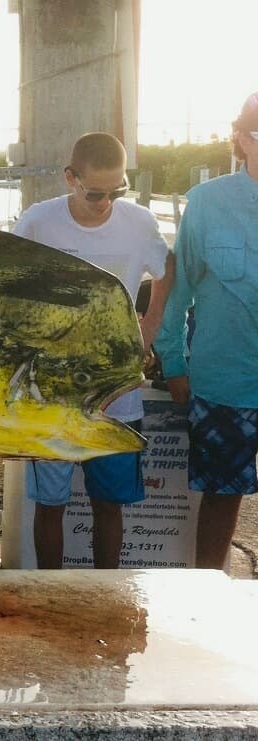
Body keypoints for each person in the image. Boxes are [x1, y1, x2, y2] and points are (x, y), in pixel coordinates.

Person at [13, 132, 173, 569]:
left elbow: (166, 269)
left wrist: (150, 327)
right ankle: (50, 589)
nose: (106, 202)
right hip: (52, 391)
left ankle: (106, 591)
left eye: (117, 191)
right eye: (96, 192)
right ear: (71, 178)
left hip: (117, 394)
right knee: (51, 503)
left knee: (110, 503)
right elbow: (9, 288)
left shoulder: (139, 222)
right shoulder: (37, 222)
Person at [153, 92, 258, 570]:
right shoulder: (207, 204)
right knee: (220, 498)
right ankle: (207, 600)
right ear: (240, 138)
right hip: (224, 382)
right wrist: (173, 362)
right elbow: (178, 289)